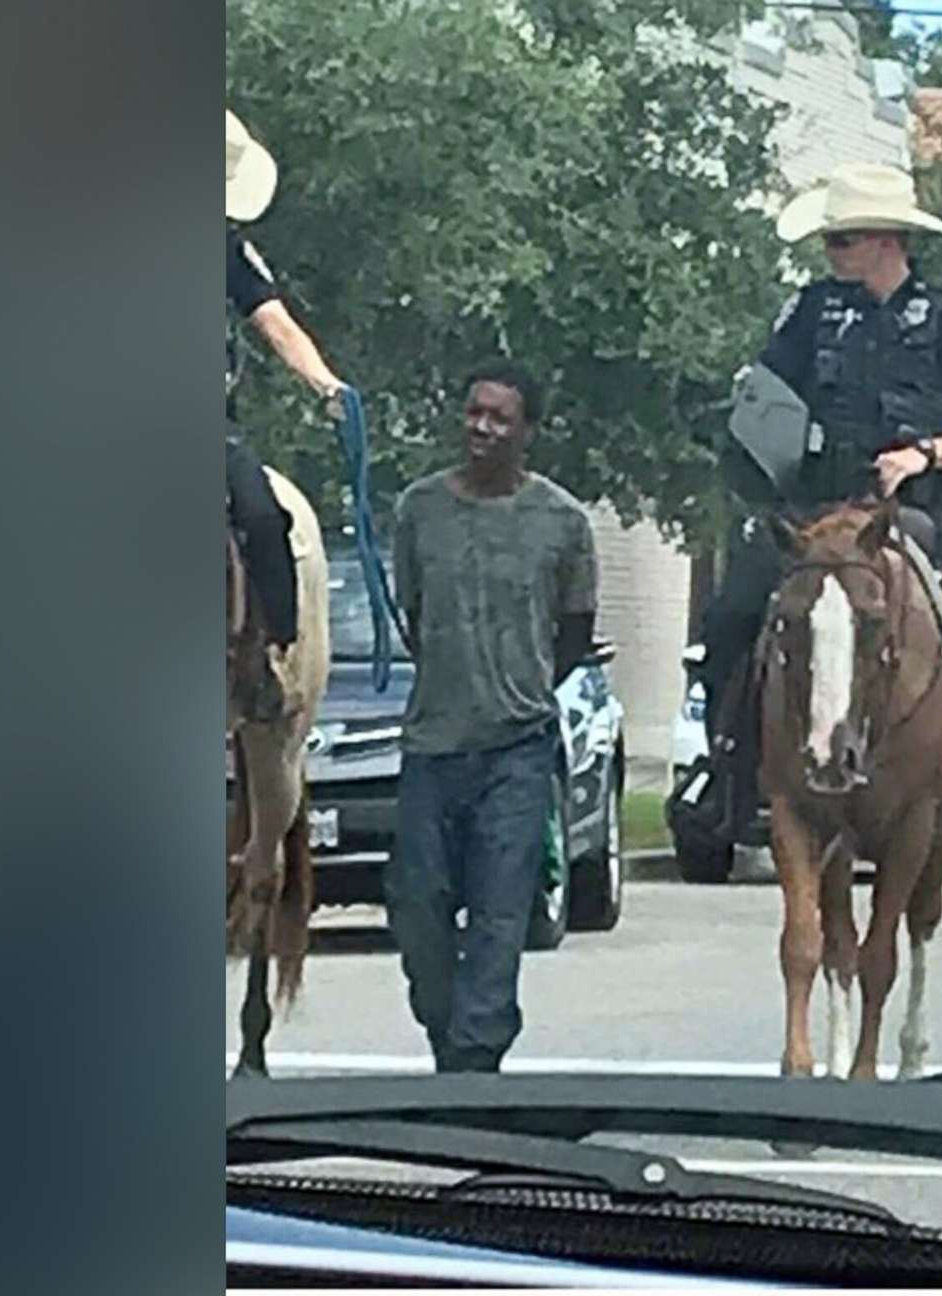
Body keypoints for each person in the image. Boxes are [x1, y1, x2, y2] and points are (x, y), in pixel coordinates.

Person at [674, 161, 942, 858]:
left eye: (842, 241)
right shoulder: (810, 314)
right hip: (817, 509)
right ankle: (725, 770)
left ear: (885, 239)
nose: (832, 254)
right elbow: (766, 396)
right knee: (730, 616)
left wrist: (927, 455)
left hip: (919, 510)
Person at [382, 362, 598, 1073]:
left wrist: (522, 682)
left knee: (501, 915)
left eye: (500, 417)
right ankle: (446, 1035)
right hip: (432, 745)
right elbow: (413, 614)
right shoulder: (420, 510)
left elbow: (572, 631)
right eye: (474, 411)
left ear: (527, 431)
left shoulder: (562, 523)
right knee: (419, 911)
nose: (482, 427)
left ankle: (474, 1063)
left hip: (517, 748)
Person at [225, 109, 350, 714]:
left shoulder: (228, 251)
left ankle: (269, 655)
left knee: (262, 516)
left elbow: (275, 322)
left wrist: (327, 385)